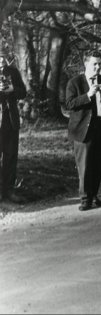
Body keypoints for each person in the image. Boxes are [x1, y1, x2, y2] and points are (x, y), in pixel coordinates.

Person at [64, 51, 101, 211]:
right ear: (85, 64)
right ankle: (85, 199)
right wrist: (88, 95)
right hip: (83, 129)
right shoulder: (75, 82)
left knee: (98, 164)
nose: (97, 67)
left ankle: (94, 196)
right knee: (85, 166)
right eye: (94, 64)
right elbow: (68, 104)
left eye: (100, 64)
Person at [0, 48, 27, 203]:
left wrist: (13, 89)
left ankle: (8, 190)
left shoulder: (13, 72)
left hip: (10, 120)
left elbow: (23, 92)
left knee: (10, 156)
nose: (2, 60)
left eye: (3, 57)